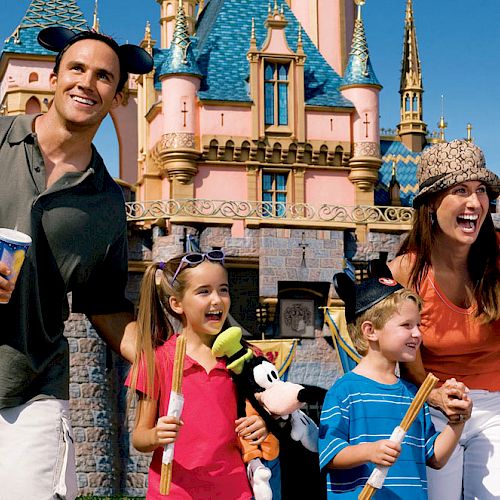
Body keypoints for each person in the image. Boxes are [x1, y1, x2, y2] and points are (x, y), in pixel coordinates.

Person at [0, 26, 154, 499]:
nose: (88, 82)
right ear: (53, 77)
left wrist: (164, 359)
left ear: (118, 97)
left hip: (30, 385)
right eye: (77, 69)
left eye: (104, 76)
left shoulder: (107, 203)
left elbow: (104, 302)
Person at [388, 139, 500, 499]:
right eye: (460, 190)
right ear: (432, 202)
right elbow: (403, 361)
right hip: (432, 404)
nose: (475, 202)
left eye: (481, 190)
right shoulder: (405, 272)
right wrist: (435, 396)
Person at [127, 251, 269, 499]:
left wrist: (263, 425)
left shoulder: (247, 357)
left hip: (234, 491)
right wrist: (155, 435)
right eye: (204, 291)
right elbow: (139, 437)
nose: (217, 300)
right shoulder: (156, 360)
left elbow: (273, 417)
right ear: (177, 304)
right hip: (174, 492)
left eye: (223, 290)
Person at [319, 274, 472, 498]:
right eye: (406, 325)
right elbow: (330, 454)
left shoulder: (414, 395)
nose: (418, 333)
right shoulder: (344, 391)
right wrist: (369, 451)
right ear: (370, 331)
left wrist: (457, 420)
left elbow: (435, 457)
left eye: (418, 325)